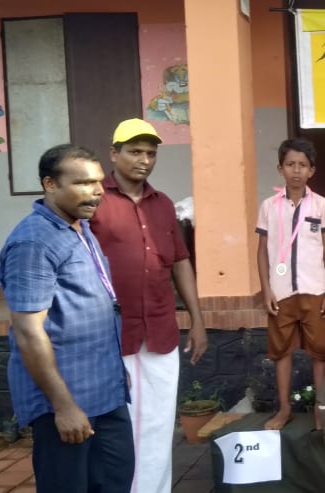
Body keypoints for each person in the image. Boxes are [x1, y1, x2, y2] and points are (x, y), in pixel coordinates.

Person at [0, 144, 133, 492]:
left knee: (115, 480)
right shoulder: (34, 242)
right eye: (84, 183)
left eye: (99, 181)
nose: (98, 190)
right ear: (50, 184)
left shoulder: (78, 226)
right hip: (67, 400)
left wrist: (114, 371)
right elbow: (28, 331)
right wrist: (64, 407)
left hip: (104, 390)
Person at [90, 118, 207, 493]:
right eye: (135, 152)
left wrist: (197, 319)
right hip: (111, 334)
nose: (144, 160)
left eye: (151, 153)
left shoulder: (164, 204)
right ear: (114, 154)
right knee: (117, 426)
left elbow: (180, 261)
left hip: (160, 329)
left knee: (158, 424)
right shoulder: (94, 201)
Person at [257, 138, 325, 430]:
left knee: (319, 353)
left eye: (302, 165)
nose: (296, 170)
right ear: (280, 168)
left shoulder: (322, 205)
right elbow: (262, 251)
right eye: (290, 164)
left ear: (311, 170)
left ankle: (321, 409)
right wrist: (266, 290)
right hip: (281, 294)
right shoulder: (269, 206)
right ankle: (284, 409)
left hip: (314, 291)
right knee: (281, 352)